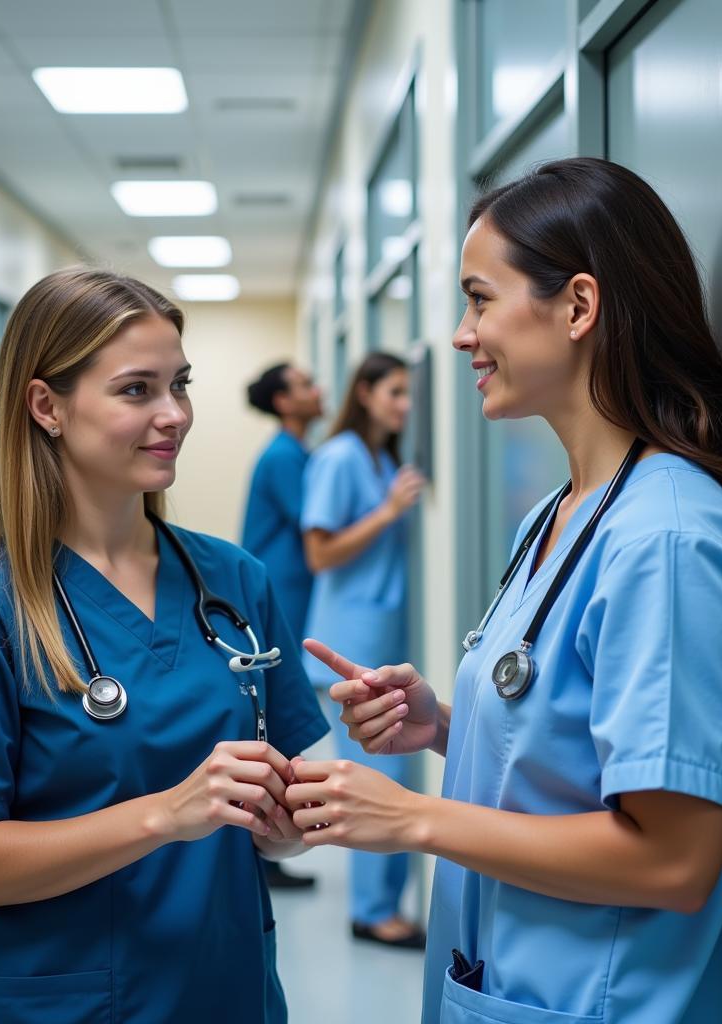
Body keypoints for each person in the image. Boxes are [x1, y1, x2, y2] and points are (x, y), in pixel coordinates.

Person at [287, 158, 722, 1023]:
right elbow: (577, 755)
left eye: (480, 300)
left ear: (579, 307)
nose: (460, 335)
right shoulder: (561, 514)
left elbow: (671, 859)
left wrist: (412, 820)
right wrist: (443, 725)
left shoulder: (663, 539)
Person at [0, 268, 328, 1023]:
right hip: (53, 1001)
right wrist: (169, 812)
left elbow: (273, 831)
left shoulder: (233, 583)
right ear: (46, 405)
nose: (174, 414)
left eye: (178, 385)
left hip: (223, 988)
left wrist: (286, 833)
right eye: (136, 390)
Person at [300, 351, 426, 948]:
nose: (405, 406)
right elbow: (319, 554)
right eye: (396, 393)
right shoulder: (340, 456)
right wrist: (388, 512)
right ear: (368, 393)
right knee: (383, 775)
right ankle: (374, 912)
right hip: (348, 645)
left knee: (390, 771)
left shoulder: (379, 456)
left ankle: (379, 904)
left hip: (380, 637)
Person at [241, 361, 324, 889]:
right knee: (270, 713)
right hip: (282, 590)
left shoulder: (297, 452)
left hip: (293, 586)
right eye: (305, 385)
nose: (318, 392)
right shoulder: (282, 458)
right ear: (283, 402)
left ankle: (269, 845)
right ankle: (266, 844)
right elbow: (315, 521)